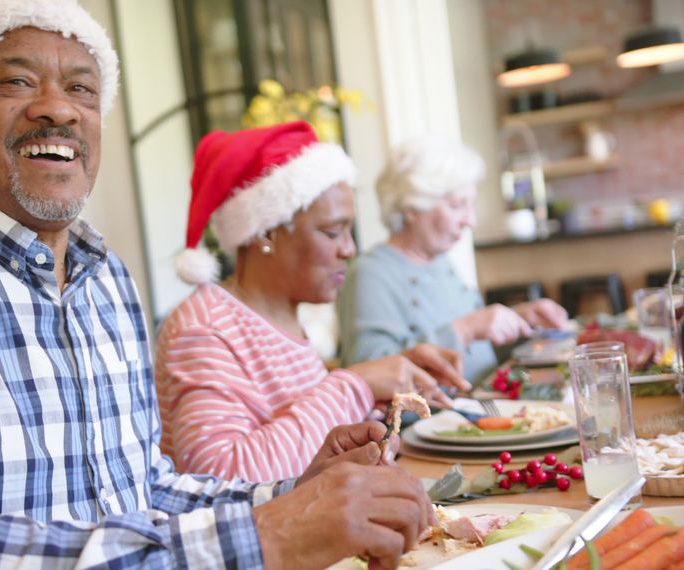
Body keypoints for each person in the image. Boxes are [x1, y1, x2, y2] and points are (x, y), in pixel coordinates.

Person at [0, 1, 432, 568]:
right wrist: (268, 534)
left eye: (82, 87)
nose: (59, 107)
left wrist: (294, 493)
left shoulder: (104, 276)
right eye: (17, 80)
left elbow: (141, 491)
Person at [159, 121, 471, 482]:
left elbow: (306, 449)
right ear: (266, 233)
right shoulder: (205, 327)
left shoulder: (281, 316)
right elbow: (219, 479)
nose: (349, 248)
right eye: (332, 232)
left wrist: (385, 387)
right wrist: (356, 385)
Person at [337, 137, 570, 385]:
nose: (470, 220)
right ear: (411, 207)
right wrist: (467, 328)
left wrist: (519, 322)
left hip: (482, 407)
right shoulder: (369, 275)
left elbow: (475, 356)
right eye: (458, 205)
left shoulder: (441, 264)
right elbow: (366, 377)